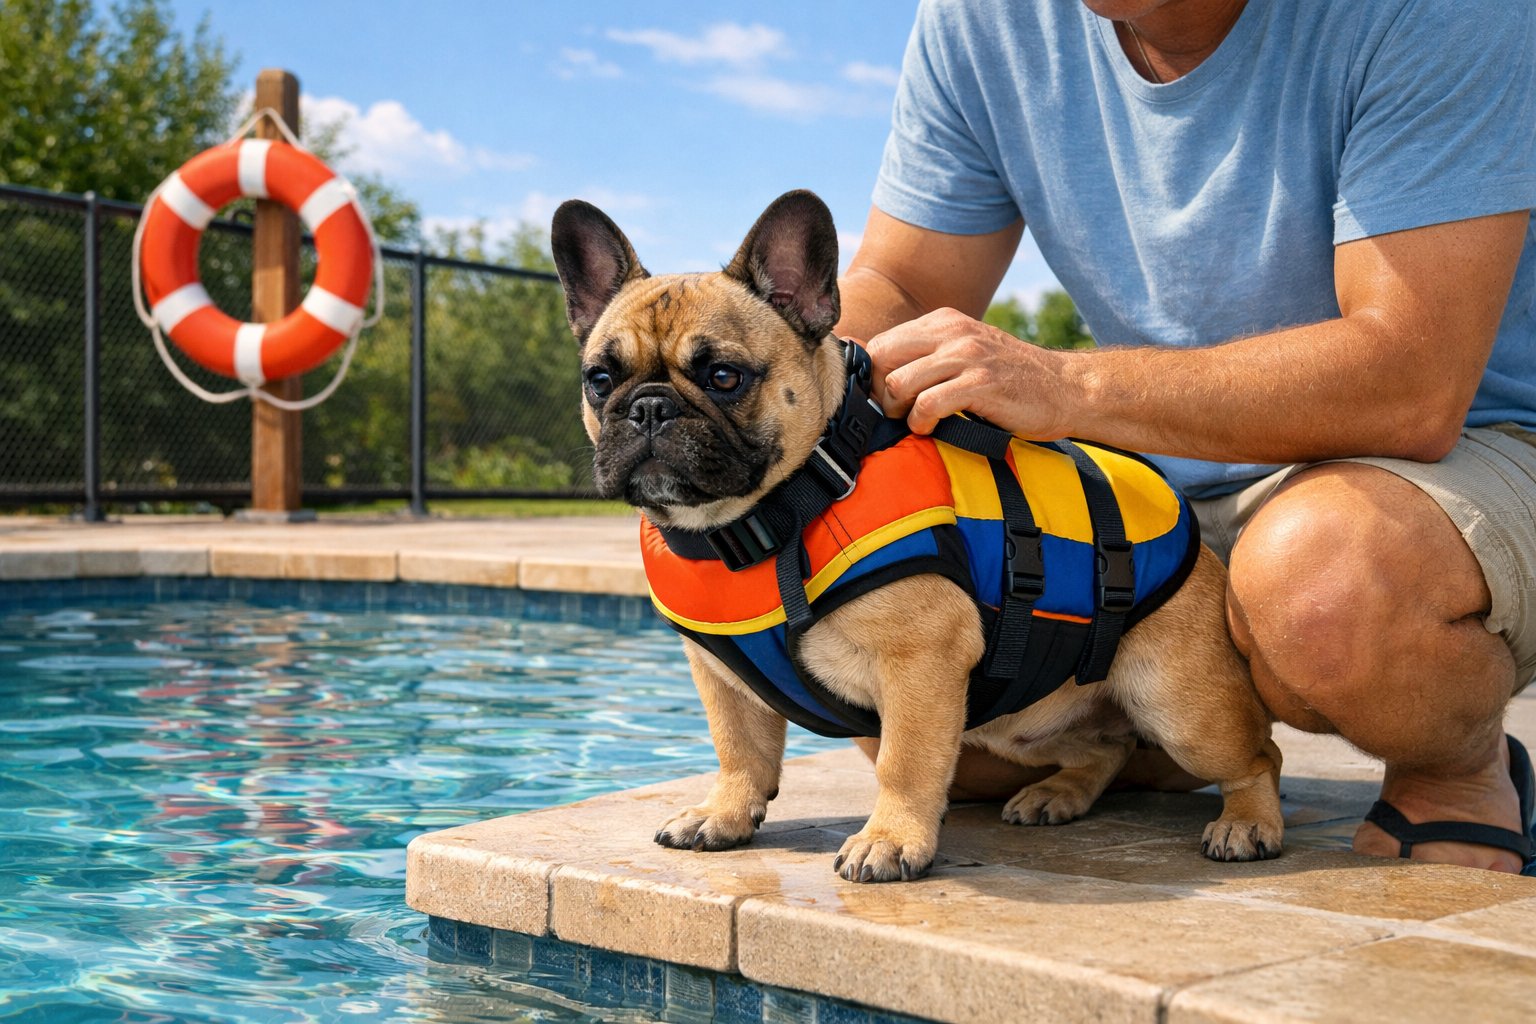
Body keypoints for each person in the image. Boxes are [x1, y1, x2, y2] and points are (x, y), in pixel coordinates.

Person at [835, 0, 1536, 874]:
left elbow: (1411, 382)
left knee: (1322, 594)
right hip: (1155, 474)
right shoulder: (982, 18)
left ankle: (1457, 771)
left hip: (1451, 454)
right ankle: (1160, 739)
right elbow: (898, 285)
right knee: (939, 717)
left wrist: (1067, 383)